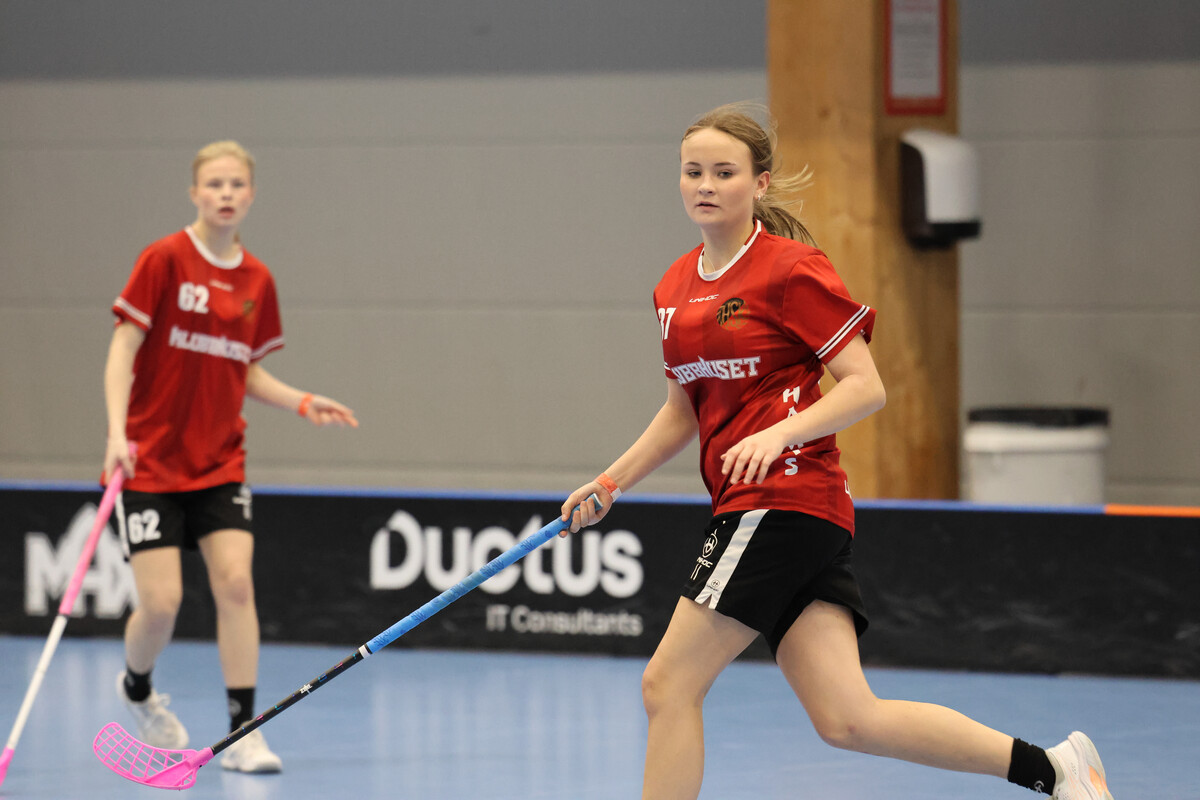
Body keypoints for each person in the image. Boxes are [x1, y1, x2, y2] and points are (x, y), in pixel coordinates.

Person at [558, 103, 1113, 800]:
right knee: (849, 719)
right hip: (787, 512)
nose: (705, 185)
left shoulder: (790, 271)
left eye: (724, 172)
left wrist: (780, 433)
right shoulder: (673, 289)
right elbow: (682, 411)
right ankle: (1056, 769)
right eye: (693, 171)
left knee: (667, 684)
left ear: (760, 183)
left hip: (780, 500)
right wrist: (611, 482)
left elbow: (865, 386)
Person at [103, 140, 358, 774]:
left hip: (219, 462)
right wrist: (115, 433)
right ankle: (136, 686)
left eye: (236, 184)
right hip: (151, 462)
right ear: (194, 192)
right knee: (161, 604)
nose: (225, 194)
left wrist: (302, 401)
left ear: (251, 195)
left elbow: (244, 370)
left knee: (237, 584)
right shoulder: (164, 259)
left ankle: (245, 731)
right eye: (214, 183)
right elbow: (123, 349)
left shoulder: (257, 280)